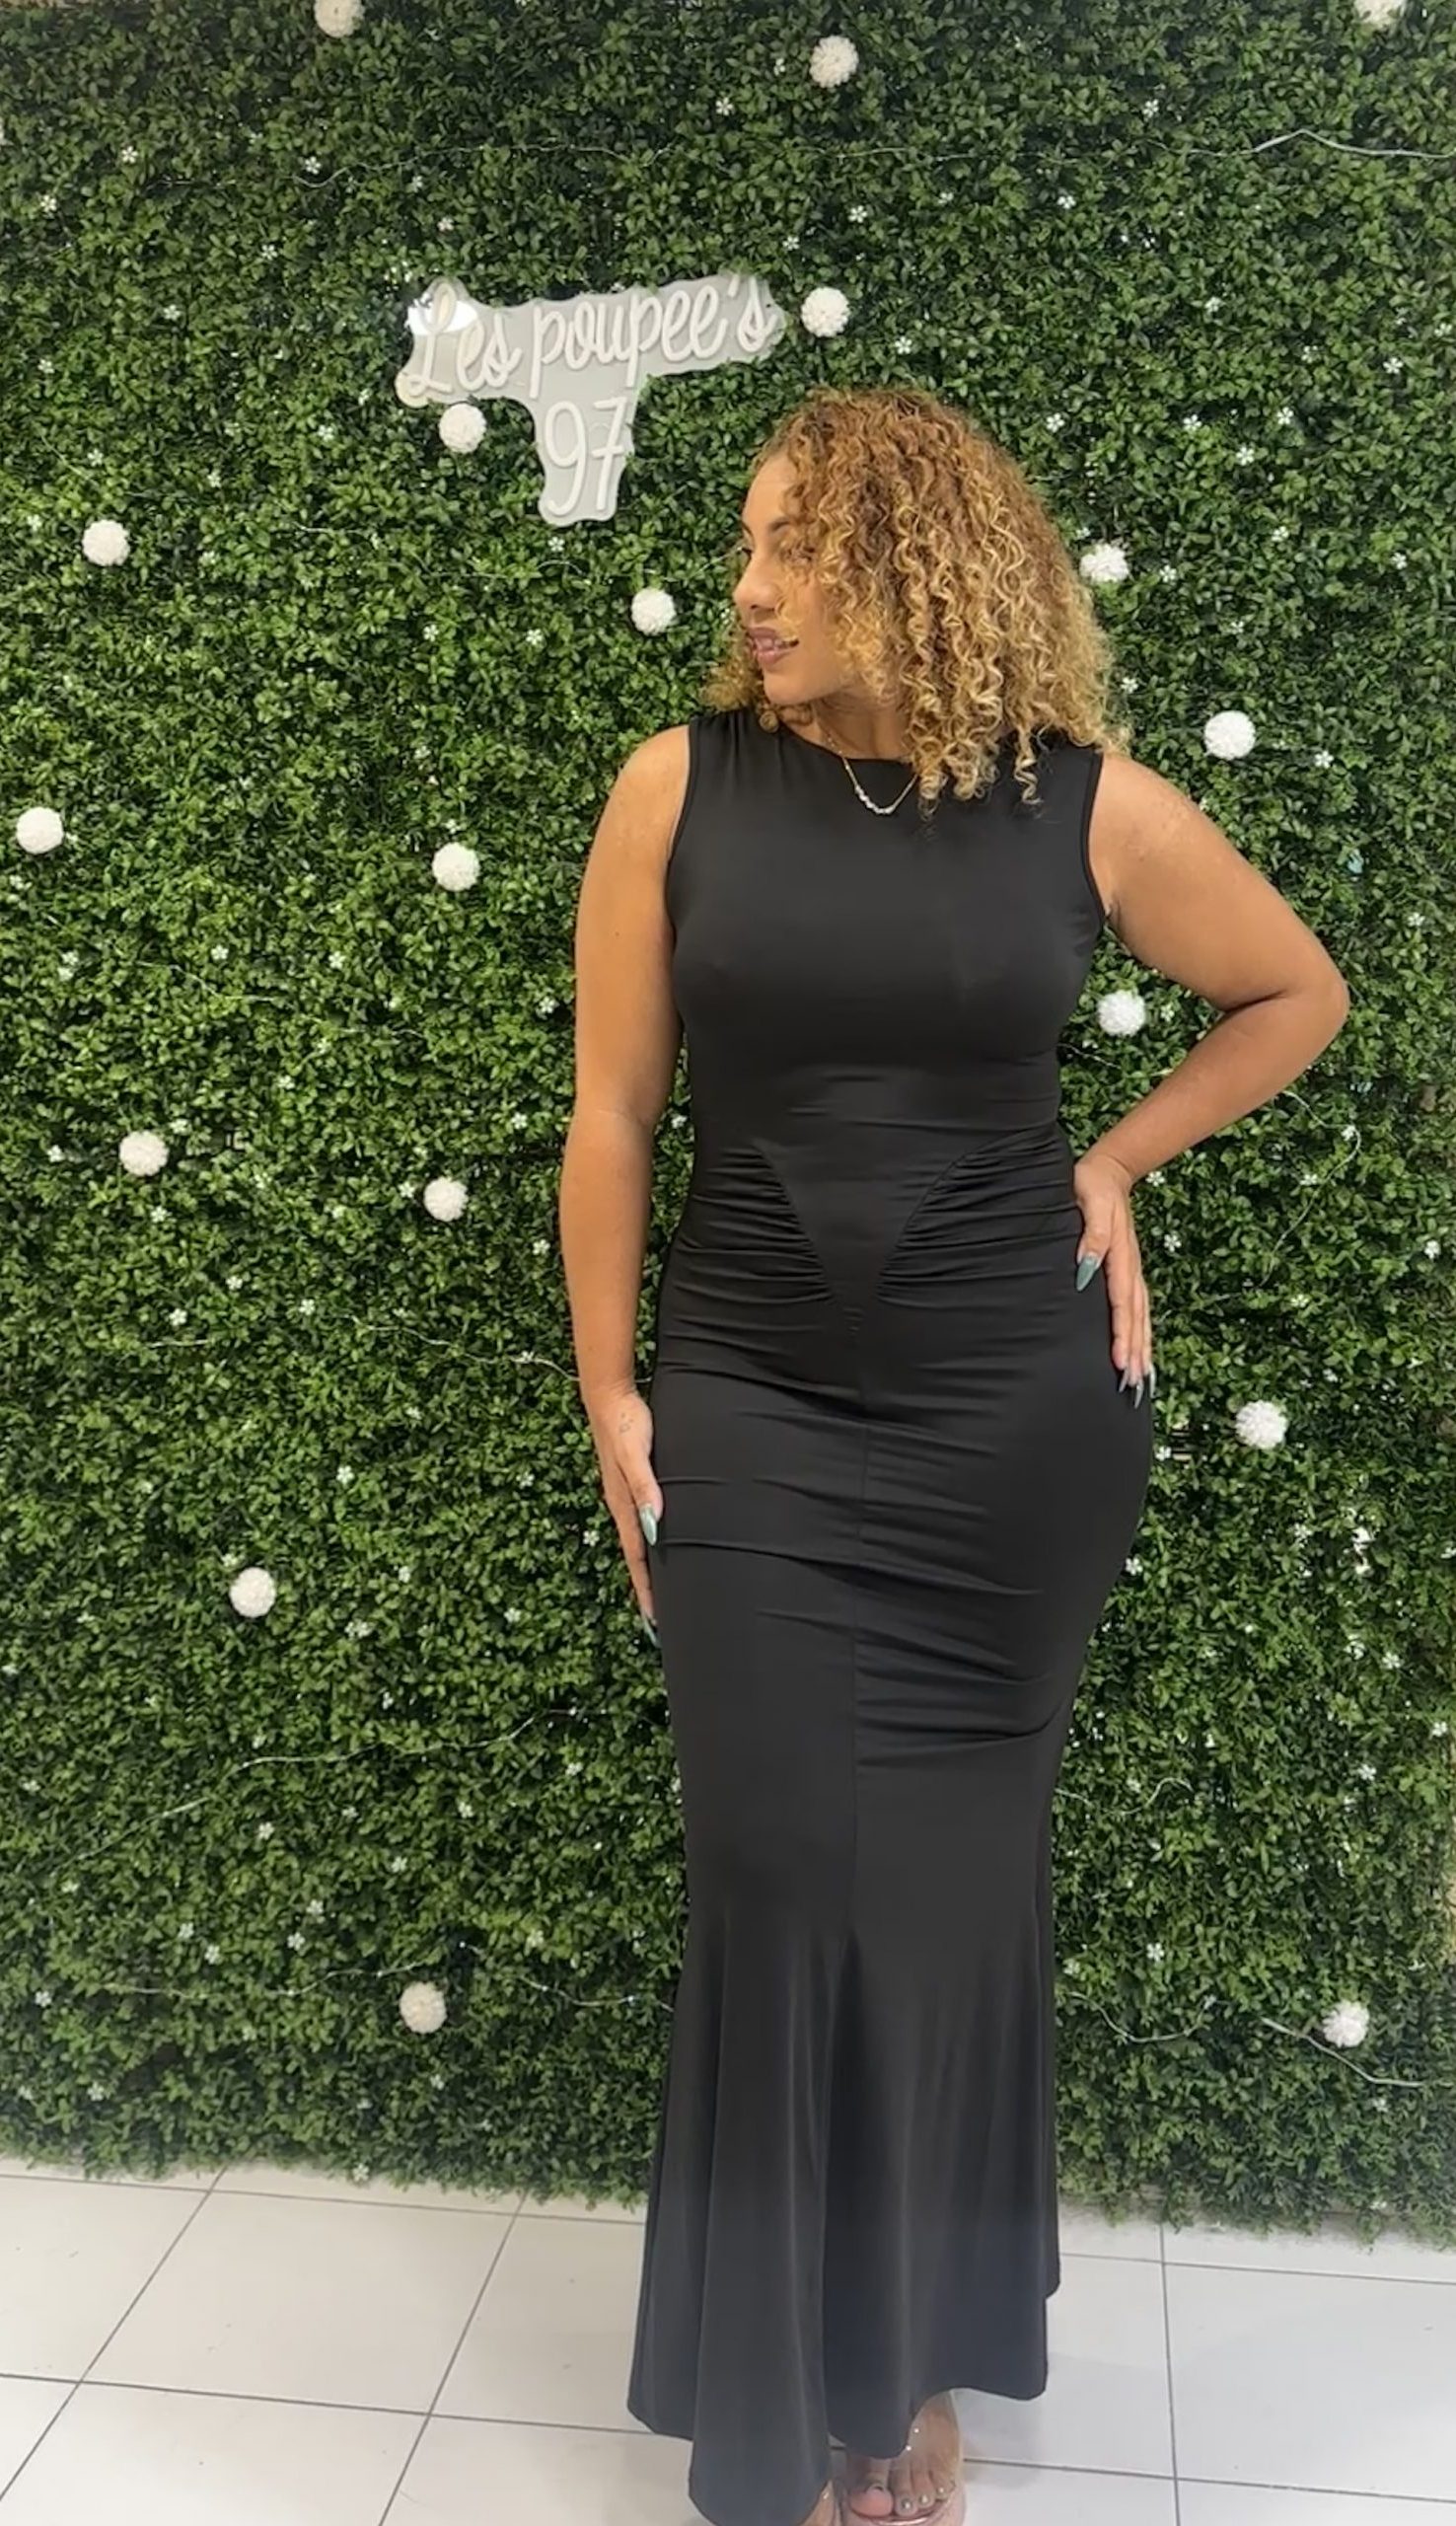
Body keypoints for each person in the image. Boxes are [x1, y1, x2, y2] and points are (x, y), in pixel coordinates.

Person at [558, 385, 1348, 2526]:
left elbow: (1295, 991)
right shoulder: (676, 789)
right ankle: (787, 2387)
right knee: (777, 1871)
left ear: (921, 565)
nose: (750, 587)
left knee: (937, 1904)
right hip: (752, 1400)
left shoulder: (1085, 809)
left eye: (795, 545)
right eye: (747, 543)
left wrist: (1115, 1156)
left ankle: (900, 2379)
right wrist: (613, 1386)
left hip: (1010, 1428)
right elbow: (615, 1112)